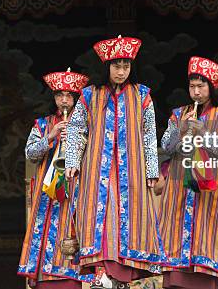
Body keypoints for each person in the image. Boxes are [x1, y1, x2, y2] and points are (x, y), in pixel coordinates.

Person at [64, 35, 164, 289]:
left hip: (131, 172)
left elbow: (149, 134)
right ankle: (103, 274)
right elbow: (77, 129)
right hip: (98, 170)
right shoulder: (89, 95)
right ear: (106, 66)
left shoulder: (142, 96)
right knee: (102, 218)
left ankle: (122, 278)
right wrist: (73, 159)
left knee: (130, 221)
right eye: (116, 66)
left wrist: (151, 168)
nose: (121, 72)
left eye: (126, 66)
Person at [159, 56, 218, 288]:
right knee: (176, 241)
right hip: (179, 188)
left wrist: (204, 134)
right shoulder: (179, 114)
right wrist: (181, 131)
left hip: (212, 190)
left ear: (211, 88)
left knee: (208, 239)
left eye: (201, 86)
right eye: (192, 86)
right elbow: (167, 146)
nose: (196, 92)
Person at [18, 68, 92, 289]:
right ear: (54, 98)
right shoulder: (42, 124)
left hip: (76, 191)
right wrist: (50, 137)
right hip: (47, 193)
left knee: (74, 231)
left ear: (76, 98)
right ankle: (41, 274)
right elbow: (30, 154)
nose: (64, 100)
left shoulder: (86, 123)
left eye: (69, 95)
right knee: (45, 231)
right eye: (60, 95)